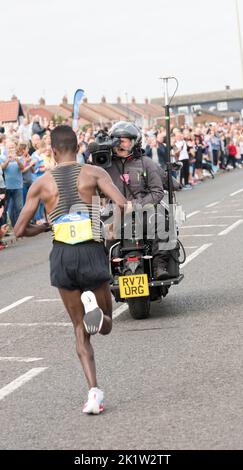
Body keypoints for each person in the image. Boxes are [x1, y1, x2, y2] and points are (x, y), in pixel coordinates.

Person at [14, 125, 128, 415]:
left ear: (52, 152)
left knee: (80, 331)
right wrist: (112, 227)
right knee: (106, 325)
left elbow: (18, 229)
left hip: (62, 255)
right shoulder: (94, 173)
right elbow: (121, 202)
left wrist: (44, 226)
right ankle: (97, 313)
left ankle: (93, 394)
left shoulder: (41, 183)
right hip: (90, 250)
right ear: (78, 147)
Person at [104, 121, 171, 280]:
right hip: (116, 212)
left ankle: (159, 266)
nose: (119, 143)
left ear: (134, 142)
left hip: (144, 210)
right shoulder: (105, 166)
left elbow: (157, 192)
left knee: (162, 221)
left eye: (124, 140)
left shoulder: (146, 163)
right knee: (95, 229)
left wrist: (134, 206)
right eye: (116, 139)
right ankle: (103, 271)